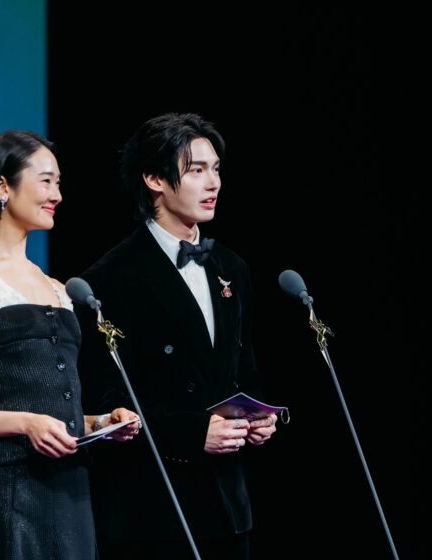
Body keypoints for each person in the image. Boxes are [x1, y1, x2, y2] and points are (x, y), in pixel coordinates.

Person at [0, 130, 141, 559]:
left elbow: (48, 406)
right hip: (4, 487)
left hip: (69, 490)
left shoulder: (58, 288)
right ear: (4, 187)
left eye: (59, 183)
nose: (57, 195)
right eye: (45, 181)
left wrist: (99, 423)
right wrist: (26, 424)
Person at [74, 113, 279, 559]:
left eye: (216, 169)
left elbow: (243, 369)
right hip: (154, 510)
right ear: (154, 179)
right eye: (196, 170)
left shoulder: (231, 267)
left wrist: (259, 415)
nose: (213, 183)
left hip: (229, 506)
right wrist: (191, 434)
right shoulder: (110, 279)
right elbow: (108, 399)